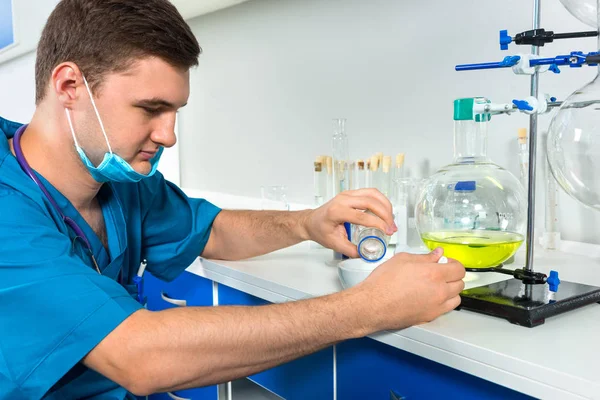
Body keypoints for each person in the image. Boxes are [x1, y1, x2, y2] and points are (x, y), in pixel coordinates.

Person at [0, 0, 465, 398]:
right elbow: (139, 356)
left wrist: (307, 222)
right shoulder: (8, 210)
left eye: (175, 111)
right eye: (150, 109)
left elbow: (212, 230)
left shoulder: (119, 181)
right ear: (68, 87)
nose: (168, 136)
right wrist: (370, 307)